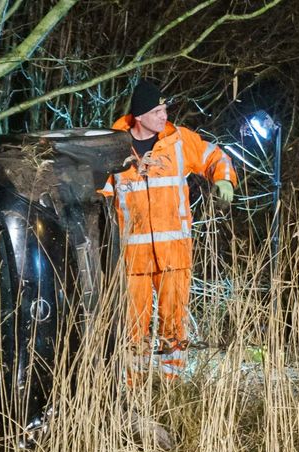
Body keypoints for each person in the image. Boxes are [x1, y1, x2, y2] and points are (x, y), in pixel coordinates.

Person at [100, 79, 237, 384]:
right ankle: (132, 386)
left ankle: (170, 384)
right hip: (132, 257)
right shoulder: (111, 147)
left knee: (174, 323)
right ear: (139, 115)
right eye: (157, 110)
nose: (164, 115)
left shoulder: (178, 141)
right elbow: (100, 194)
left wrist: (224, 178)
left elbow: (215, 156)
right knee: (131, 325)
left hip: (174, 254)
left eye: (164, 109)